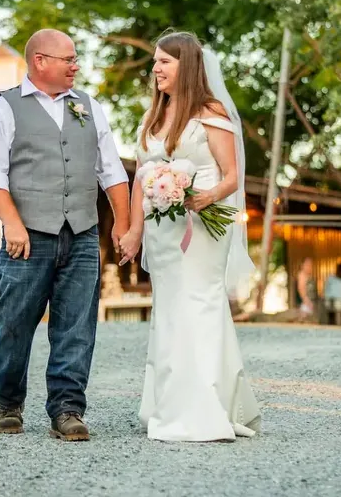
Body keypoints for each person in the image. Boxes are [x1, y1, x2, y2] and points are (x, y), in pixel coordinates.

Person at [0, 29, 130, 441]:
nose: (76, 66)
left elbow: (112, 171)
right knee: (13, 323)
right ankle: (8, 401)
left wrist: (124, 223)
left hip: (81, 234)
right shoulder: (5, 109)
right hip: (26, 237)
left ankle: (67, 409)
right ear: (40, 61)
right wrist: (12, 222)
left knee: (77, 326)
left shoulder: (90, 107)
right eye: (69, 59)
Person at [118, 31, 261, 442]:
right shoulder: (153, 118)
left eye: (164, 61)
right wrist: (133, 231)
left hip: (202, 227)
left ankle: (203, 408)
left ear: (187, 66)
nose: (156, 69)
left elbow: (232, 175)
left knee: (199, 306)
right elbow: (140, 179)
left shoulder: (210, 113)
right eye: (156, 62)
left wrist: (205, 196)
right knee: (168, 312)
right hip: (163, 232)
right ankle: (167, 404)